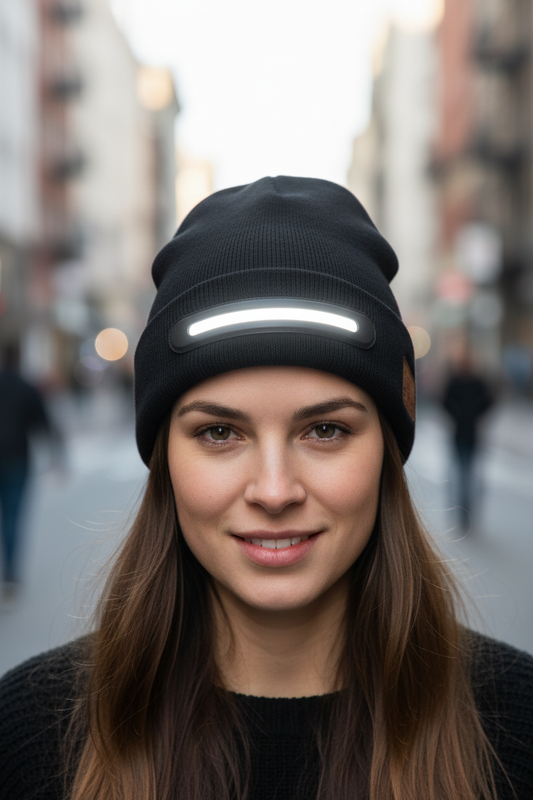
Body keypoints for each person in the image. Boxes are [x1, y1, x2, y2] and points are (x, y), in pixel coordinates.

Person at [0, 176, 532, 800]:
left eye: (326, 430)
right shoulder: (28, 738)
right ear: (163, 456)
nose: (275, 491)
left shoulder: (515, 731)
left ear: (388, 450)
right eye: (221, 432)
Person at [0, 344, 53, 599]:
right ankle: (10, 577)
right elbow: (43, 423)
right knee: (12, 517)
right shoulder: (25, 387)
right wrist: (57, 457)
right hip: (17, 460)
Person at [442, 345, 494, 529]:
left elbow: (489, 401)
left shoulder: (475, 382)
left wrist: (469, 414)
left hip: (469, 432)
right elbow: (444, 401)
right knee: (462, 473)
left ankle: (465, 510)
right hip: (462, 432)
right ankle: (462, 510)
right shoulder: (458, 381)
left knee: (466, 473)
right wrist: (461, 414)